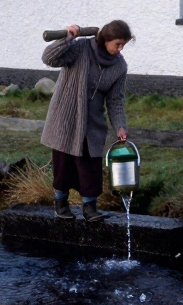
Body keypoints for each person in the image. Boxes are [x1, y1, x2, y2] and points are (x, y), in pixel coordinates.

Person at [40, 20, 132, 222]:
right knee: (63, 164)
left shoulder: (119, 66)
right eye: (117, 43)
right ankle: (60, 203)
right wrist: (67, 38)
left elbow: (115, 100)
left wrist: (120, 125)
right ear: (106, 39)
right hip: (66, 117)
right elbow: (48, 58)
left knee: (90, 164)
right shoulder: (81, 48)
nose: (121, 48)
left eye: (124, 44)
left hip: (92, 122)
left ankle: (90, 208)